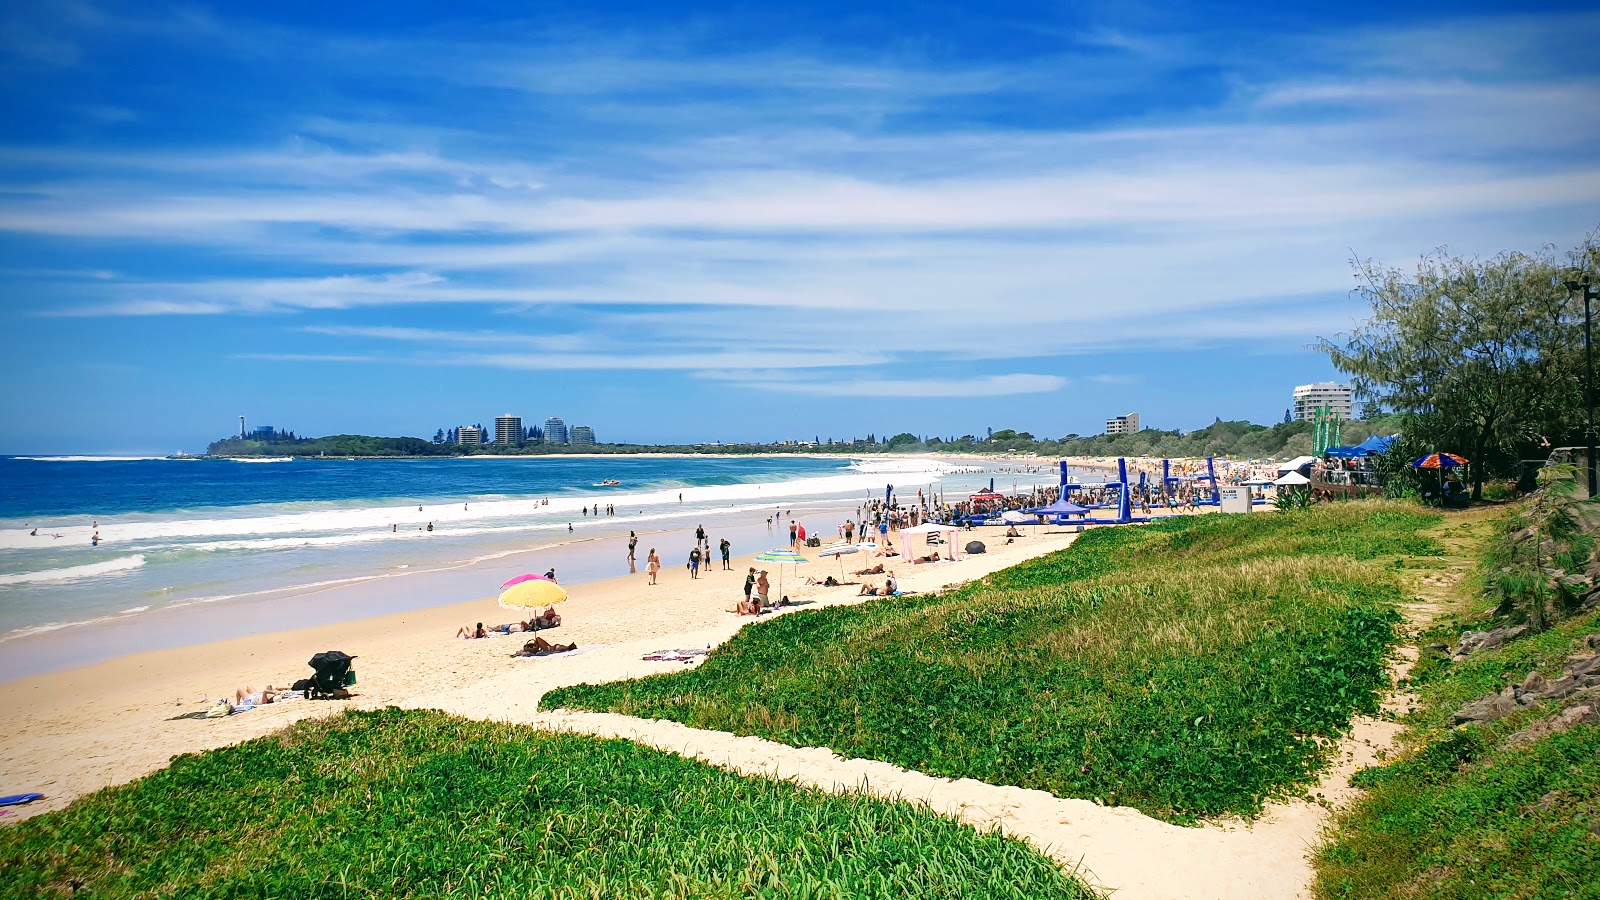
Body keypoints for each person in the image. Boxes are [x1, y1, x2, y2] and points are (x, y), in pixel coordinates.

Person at [511, 635, 577, 657]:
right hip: (548, 648)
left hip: (548, 649)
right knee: (537, 640)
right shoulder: (564, 648)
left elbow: (554, 651)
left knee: (537, 639)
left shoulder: (563, 649)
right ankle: (522, 652)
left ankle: (520, 653)